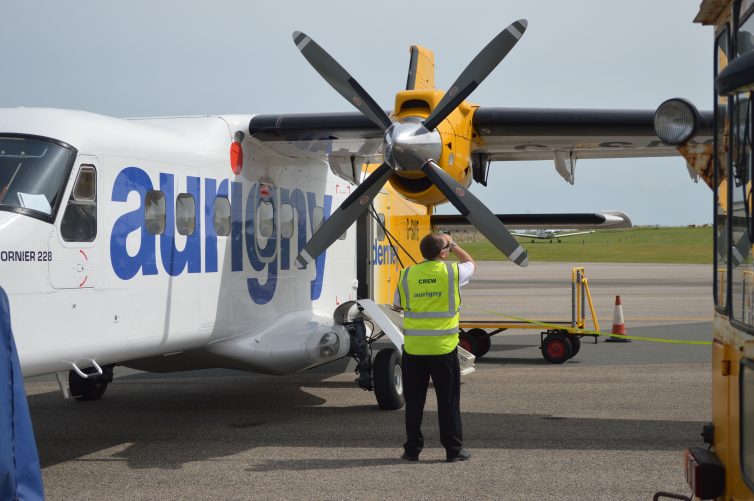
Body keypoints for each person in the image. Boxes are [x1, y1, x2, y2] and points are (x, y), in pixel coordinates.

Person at [392, 232, 475, 462]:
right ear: (443, 253)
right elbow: (470, 263)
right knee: (448, 401)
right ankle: (453, 450)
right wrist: (454, 243)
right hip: (443, 349)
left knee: (414, 402)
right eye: (447, 248)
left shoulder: (407, 274)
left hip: (414, 350)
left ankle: (412, 450)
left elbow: (397, 304)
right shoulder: (452, 272)